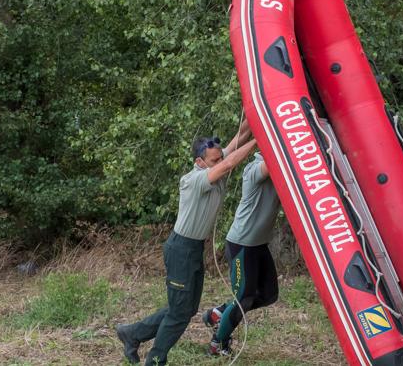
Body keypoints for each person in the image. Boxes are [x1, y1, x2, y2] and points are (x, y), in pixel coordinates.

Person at [116, 120, 258, 365]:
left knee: (184, 309)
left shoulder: (213, 161)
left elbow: (240, 135)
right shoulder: (194, 179)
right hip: (181, 249)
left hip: (193, 249)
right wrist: (263, 140)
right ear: (199, 162)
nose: (219, 159)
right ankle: (156, 359)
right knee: (179, 313)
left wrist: (258, 115)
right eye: (214, 159)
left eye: (218, 156)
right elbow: (227, 164)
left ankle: (132, 334)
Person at [201, 143, 282, 357]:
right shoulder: (255, 169)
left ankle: (218, 313)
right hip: (242, 244)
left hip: (258, 244)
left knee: (268, 294)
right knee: (243, 298)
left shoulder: (280, 170)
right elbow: (272, 162)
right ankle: (217, 344)